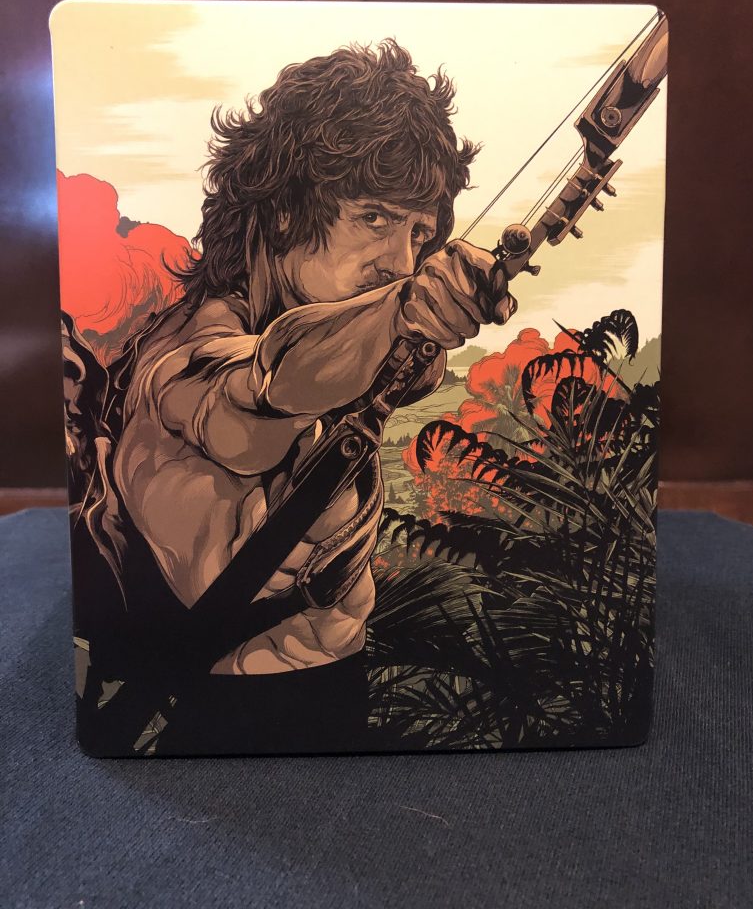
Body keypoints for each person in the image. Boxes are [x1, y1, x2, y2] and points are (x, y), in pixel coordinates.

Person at [108, 40, 515, 753]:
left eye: (420, 233)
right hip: (215, 714)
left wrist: (410, 324)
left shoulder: (350, 334)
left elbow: (392, 365)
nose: (401, 261)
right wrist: (404, 311)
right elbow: (253, 396)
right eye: (375, 218)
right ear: (285, 211)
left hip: (332, 691)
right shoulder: (188, 347)